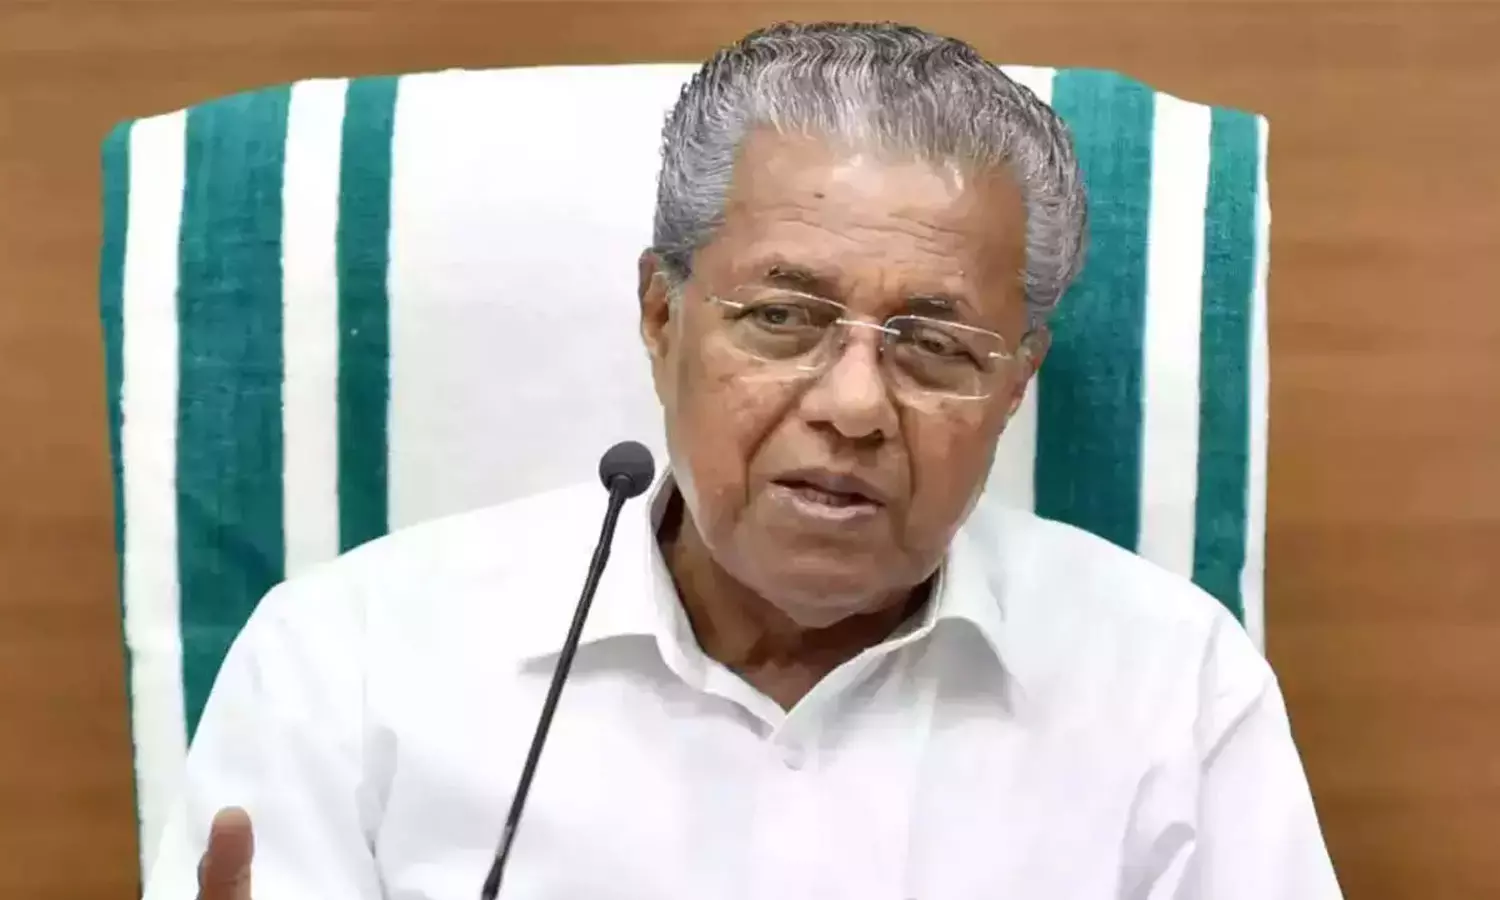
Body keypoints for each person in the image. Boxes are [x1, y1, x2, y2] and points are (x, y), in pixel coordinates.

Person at [147, 21, 1342, 900]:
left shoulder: (1171, 689)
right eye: (783, 318)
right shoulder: (349, 663)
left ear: (1016, 383)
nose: (856, 406)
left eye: (935, 345)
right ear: (661, 316)